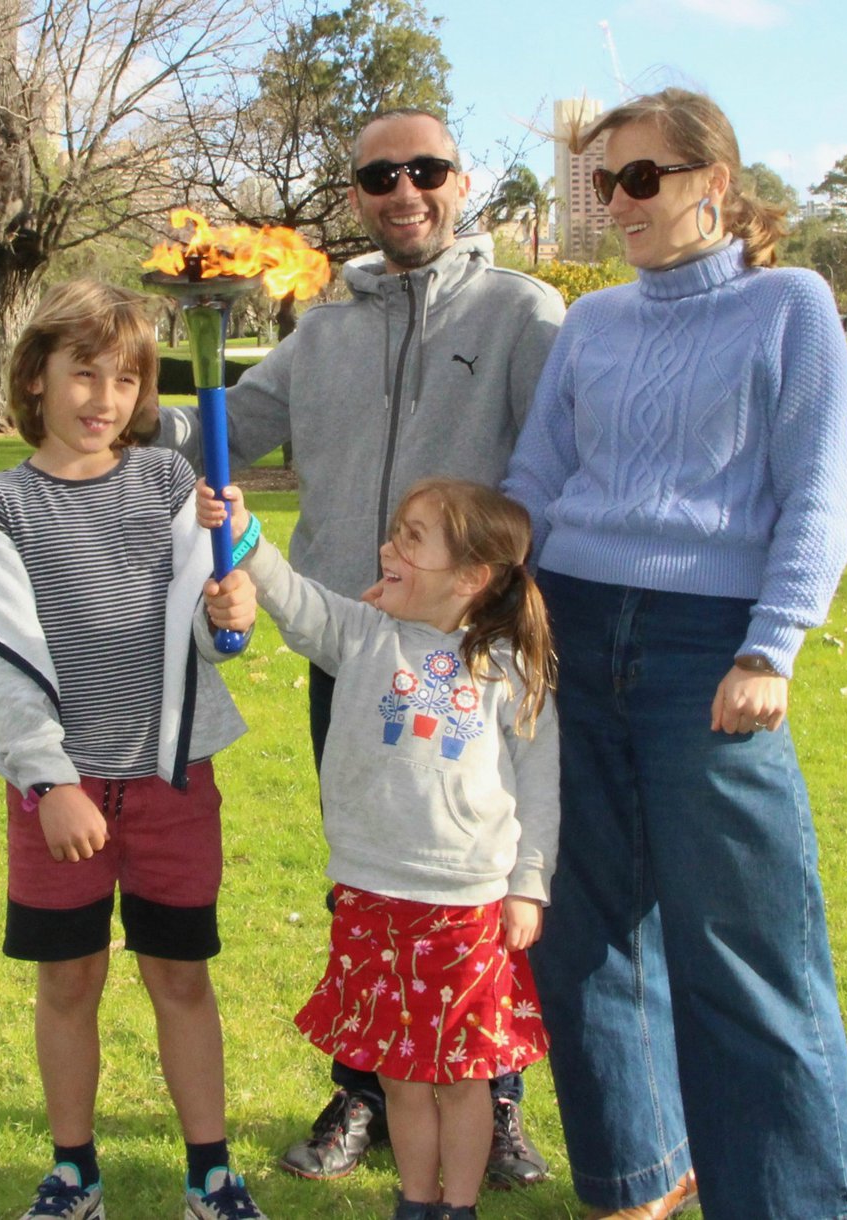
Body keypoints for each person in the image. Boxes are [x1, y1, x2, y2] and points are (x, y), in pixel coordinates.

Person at [155, 107, 566, 1186]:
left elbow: (566, 465)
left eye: (425, 169)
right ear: (356, 196)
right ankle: (365, 1087)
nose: (404, 191)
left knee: (477, 875)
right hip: (355, 651)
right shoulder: (324, 327)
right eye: (380, 176)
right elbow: (227, 430)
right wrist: (109, 410)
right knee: (370, 878)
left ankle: (492, 1093)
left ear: (460, 182)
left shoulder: (523, 311)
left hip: (475, 657)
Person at [503, 88, 847, 1220]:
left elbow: (819, 490)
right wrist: (482, 577)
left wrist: (771, 646)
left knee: (745, 948)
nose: (617, 202)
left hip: (707, 651)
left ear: (713, 181)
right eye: (603, 181)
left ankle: (801, 1202)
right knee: (579, 934)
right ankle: (637, 1175)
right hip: (570, 632)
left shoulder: (788, 305)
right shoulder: (592, 323)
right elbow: (538, 478)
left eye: (640, 177)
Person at [0, 280, 265, 1220]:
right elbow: (2, 665)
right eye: (83, 374)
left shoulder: (167, 485)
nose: (104, 399)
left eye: (126, 380)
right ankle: (74, 1171)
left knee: (181, 977)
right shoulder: (1, 507)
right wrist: (51, 782)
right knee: (69, 980)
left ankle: (211, 1174)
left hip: (171, 783)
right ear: (35, 376)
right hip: (62, 796)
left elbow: (211, 632)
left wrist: (230, 612)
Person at [199, 475, 559, 1220]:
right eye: (394, 534)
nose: (388, 550)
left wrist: (528, 883)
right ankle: (416, 1202)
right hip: (371, 894)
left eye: (411, 540)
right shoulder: (362, 634)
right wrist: (244, 535)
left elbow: (539, 786)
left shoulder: (509, 668)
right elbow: (294, 598)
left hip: (466, 907)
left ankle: (458, 1206)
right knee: (399, 1073)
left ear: (470, 577)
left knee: (462, 1076)